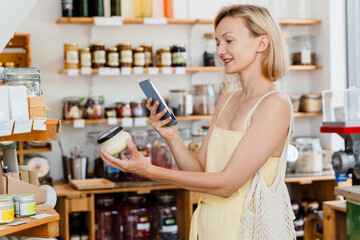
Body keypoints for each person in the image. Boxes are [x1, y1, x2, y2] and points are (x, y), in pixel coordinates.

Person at [100, 4, 296, 240]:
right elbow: (199, 171)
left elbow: (226, 184)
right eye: (217, 42)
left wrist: (149, 171)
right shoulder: (226, 100)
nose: (220, 50)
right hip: (208, 224)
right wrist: (172, 136)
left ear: (261, 43)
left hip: (247, 229)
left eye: (228, 41)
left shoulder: (275, 104)